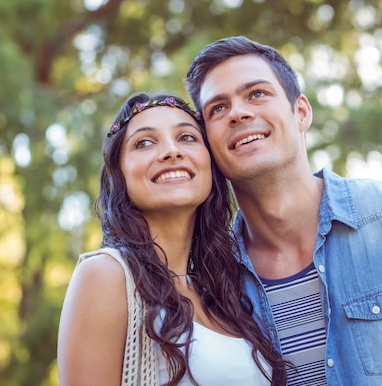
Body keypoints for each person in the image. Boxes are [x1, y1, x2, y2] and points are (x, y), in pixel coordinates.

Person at [185, 36, 382, 386]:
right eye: (218, 108)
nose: (239, 113)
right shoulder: (211, 280)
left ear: (301, 112)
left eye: (257, 93)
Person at [57, 92, 287, 386]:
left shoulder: (223, 293)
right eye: (144, 143)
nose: (171, 151)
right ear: (121, 175)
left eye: (187, 138)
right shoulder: (105, 275)